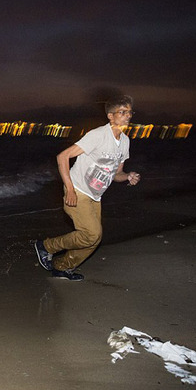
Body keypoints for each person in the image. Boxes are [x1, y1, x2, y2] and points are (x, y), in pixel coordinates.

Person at [34, 95, 141, 281]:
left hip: (95, 196)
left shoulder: (125, 142)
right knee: (92, 233)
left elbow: (116, 173)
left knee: (93, 239)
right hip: (78, 190)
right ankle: (46, 246)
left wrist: (127, 176)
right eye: (122, 112)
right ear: (110, 116)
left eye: (129, 112)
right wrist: (70, 189)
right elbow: (63, 157)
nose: (128, 116)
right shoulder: (98, 135)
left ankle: (62, 267)